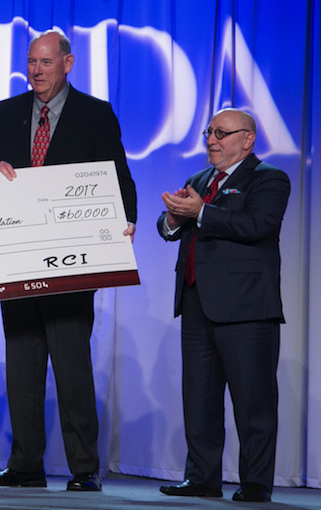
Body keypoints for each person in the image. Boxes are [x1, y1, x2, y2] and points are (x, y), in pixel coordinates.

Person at [0, 30, 137, 491]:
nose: (36, 70)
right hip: (17, 263)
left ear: (67, 64)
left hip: (70, 265)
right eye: (31, 62)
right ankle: (26, 466)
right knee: (22, 368)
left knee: (71, 369)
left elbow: (118, 178)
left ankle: (84, 468)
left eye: (45, 62)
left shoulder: (95, 114)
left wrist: (125, 224)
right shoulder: (7, 112)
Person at [157, 108, 290, 502]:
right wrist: (171, 220)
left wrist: (200, 212)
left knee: (253, 403)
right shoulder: (199, 180)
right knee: (199, 399)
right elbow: (171, 230)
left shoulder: (268, 179)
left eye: (221, 133)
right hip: (197, 303)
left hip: (246, 308)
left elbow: (256, 226)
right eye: (208, 132)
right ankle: (202, 478)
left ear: (247, 139)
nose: (211, 140)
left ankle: (254, 482)